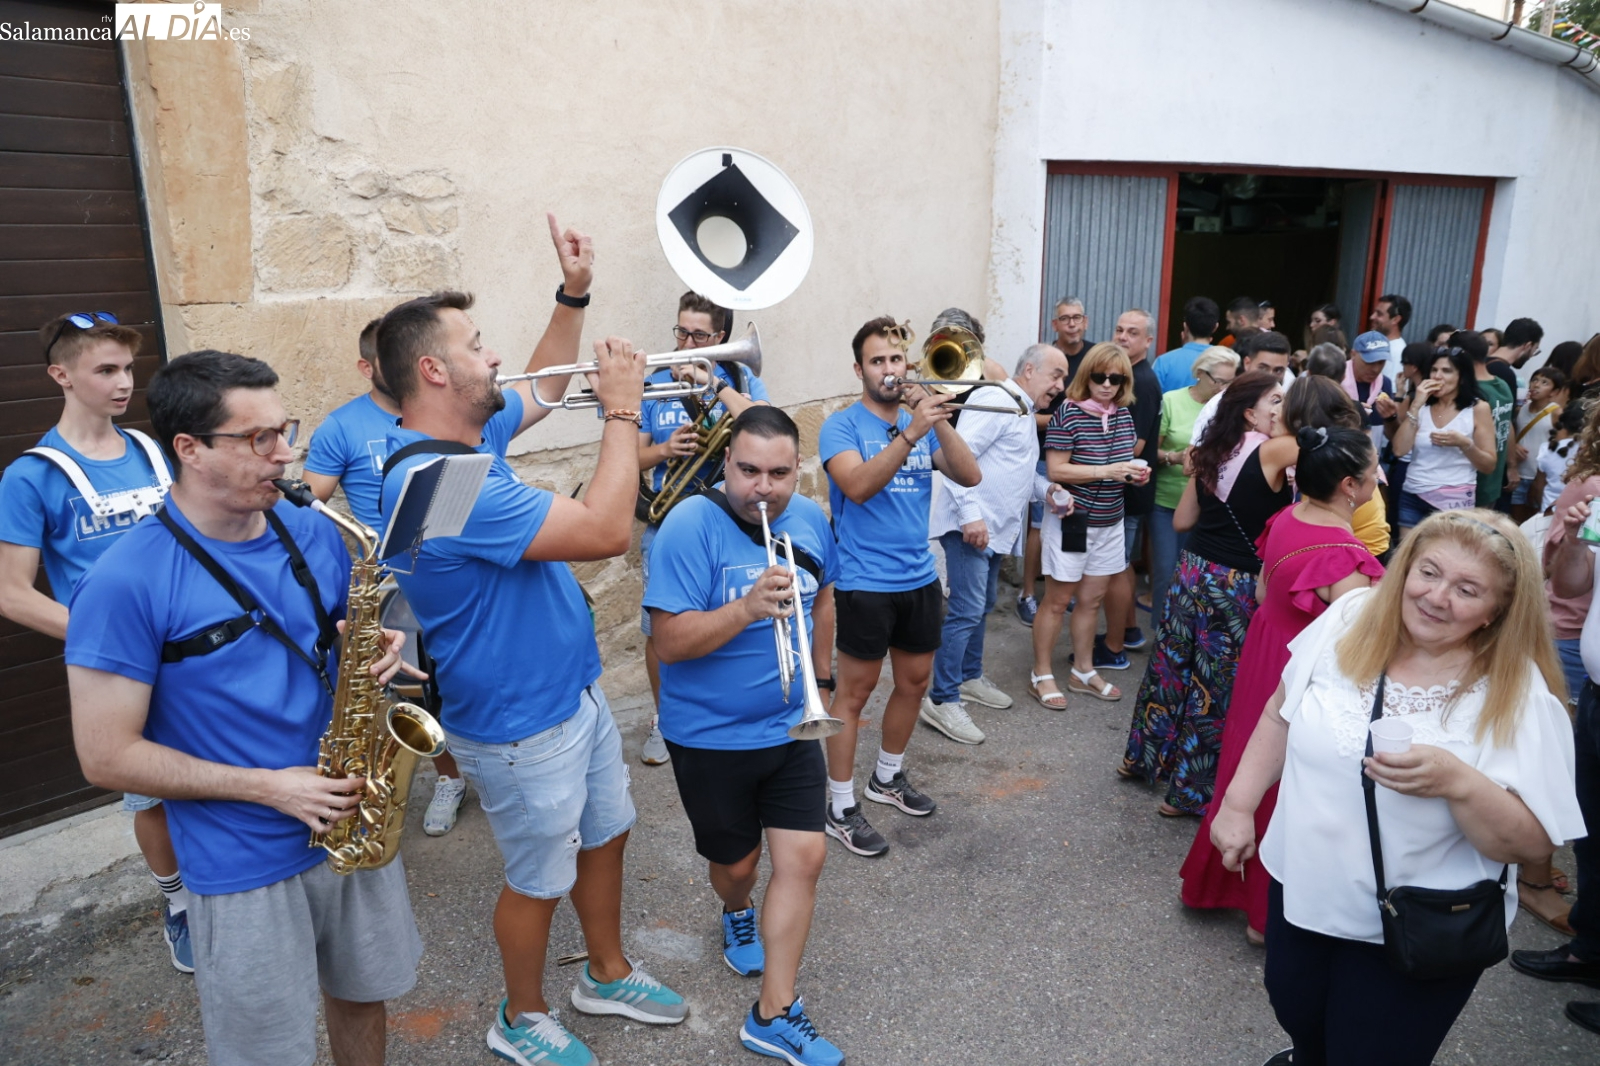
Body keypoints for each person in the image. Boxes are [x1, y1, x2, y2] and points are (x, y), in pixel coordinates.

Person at [66, 349, 421, 1066]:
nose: (285, 454)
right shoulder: (124, 582)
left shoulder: (316, 530)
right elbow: (105, 755)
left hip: (350, 814)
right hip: (240, 856)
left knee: (362, 995)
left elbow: (338, 641)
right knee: (268, 1049)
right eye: (259, 439)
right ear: (190, 450)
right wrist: (268, 787)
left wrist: (374, 649)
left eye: (284, 429)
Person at [378, 250, 690, 1063]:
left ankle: (606, 973)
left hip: (568, 693)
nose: (494, 356)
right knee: (537, 877)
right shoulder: (443, 479)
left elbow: (546, 384)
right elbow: (603, 532)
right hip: (517, 722)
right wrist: (622, 413)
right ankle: (520, 1016)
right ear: (433, 370)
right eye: (477, 344)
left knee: (609, 831)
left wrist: (574, 292)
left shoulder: (459, 444)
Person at [1213, 509, 1584, 1066]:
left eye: (1467, 589)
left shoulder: (1516, 693)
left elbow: (1531, 845)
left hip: (1419, 923)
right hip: (1303, 890)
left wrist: (1459, 783)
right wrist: (1239, 804)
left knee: (1370, 1053)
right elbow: (1281, 712)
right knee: (1297, 1012)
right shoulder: (1353, 617)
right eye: (1429, 572)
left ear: (1497, 611)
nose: (1437, 597)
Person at [645, 406, 844, 1066]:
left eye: (780, 473)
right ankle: (735, 908)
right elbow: (669, 641)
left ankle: (774, 1012)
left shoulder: (810, 519)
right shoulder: (688, 526)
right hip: (709, 736)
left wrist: (821, 673)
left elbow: (824, 596)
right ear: (726, 463)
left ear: (798, 470)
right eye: (750, 470)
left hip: (789, 728)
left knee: (804, 860)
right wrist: (745, 608)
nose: (764, 487)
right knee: (737, 868)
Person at [0, 313, 189, 972]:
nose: (123, 384)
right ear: (61, 375)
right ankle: (177, 903)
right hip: (117, 668)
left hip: (193, 648)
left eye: (128, 370)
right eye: (105, 370)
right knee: (150, 793)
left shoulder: (151, 450)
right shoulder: (33, 476)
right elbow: (13, 592)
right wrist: (110, 640)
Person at [1179, 426, 1384, 944]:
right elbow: (1351, 647)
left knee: (1247, 762)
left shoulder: (1288, 516)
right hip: (1303, 669)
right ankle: (1263, 913)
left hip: (1265, 650)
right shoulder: (1346, 556)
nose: (1378, 479)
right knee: (1292, 778)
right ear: (1350, 487)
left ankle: (1222, 881)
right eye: (1372, 473)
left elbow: (1267, 587)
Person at [817, 316, 980, 857]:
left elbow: (969, 475)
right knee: (855, 694)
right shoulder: (841, 427)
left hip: (918, 575)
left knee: (914, 682)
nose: (889, 369)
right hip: (866, 580)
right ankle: (839, 805)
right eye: (878, 361)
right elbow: (857, 487)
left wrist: (936, 418)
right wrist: (911, 431)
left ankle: (886, 777)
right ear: (859, 369)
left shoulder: (922, 420)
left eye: (896, 359)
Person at [302, 315, 470, 836]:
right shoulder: (340, 427)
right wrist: (345, 575)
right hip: (394, 585)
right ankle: (449, 777)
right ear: (366, 367)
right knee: (416, 689)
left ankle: (491, 759)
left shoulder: (444, 409)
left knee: (468, 672)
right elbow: (310, 512)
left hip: (458, 570)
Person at [1121, 369, 1293, 815]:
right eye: (1275, 400)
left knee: (1170, 668)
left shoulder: (1214, 450)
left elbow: (1181, 521)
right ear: (1250, 411)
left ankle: (1142, 759)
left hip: (1193, 570)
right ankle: (1189, 793)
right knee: (1214, 686)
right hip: (1234, 583)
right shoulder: (1275, 449)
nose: (1282, 407)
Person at [636, 291, 769, 768]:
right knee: (660, 631)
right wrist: (663, 450)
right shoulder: (653, 382)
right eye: (681, 331)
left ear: (721, 339)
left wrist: (714, 386)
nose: (686, 342)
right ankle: (662, 717)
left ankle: (723, 714)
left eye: (698, 335)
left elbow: (762, 428)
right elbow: (629, 455)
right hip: (668, 528)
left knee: (727, 620)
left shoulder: (741, 380)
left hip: (730, 528)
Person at [924, 343, 1068, 743]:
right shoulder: (995, 398)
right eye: (1055, 374)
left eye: (1062, 377)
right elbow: (958, 458)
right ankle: (941, 698)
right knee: (967, 610)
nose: (1060, 384)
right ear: (1027, 370)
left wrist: (1047, 489)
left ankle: (968, 678)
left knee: (981, 606)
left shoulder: (1021, 410)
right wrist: (970, 515)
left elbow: (1014, 470)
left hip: (994, 530)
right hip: (971, 526)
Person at [1515, 491, 1600, 1039]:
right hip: (1595, 691)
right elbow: (1570, 586)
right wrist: (1572, 537)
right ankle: (1590, 949)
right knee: (1590, 835)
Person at [1028, 343, 1149, 707]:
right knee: (1057, 600)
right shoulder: (1068, 412)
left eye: (1117, 378)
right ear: (1087, 376)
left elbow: (1122, 465)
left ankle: (1082, 670)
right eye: (1100, 376)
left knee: (1092, 600)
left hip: (1110, 522)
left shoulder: (1124, 415)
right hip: (1073, 522)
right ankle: (1042, 673)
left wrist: (1133, 476)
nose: (1108, 385)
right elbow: (1057, 469)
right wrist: (1106, 471)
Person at [1148, 346, 1237, 634]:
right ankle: (1162, 634)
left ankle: (1186, 634)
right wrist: (1175, 457)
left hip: (1205, 506)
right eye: (1218, 381)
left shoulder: (1229, 409)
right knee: (1164, 572)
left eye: (1229, 382)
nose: (1223, 388)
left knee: (1193, 576)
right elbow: (1151, 450)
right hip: (1165, 500)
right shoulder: (1172, 401)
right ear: (1200, 373)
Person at [1019, 296, 1093, 624]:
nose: (1072, 324)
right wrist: (1067, 422)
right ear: (1055, 325)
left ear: (1085, 321)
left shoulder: (1093, 360)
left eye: (1077, 318)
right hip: (1042, 456)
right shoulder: (1043, 359)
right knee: (1038, 526)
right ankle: (1028, 593)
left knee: (1074, 522)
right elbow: (1023, 417)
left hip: (1080, 458)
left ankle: (1066, 593)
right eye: (1065, 319)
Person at [1098, 309, 1162, 667]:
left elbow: (1133, 448)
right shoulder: (1126, 375)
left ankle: (1115, 646)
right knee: (1117, 567)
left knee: (1118, 567)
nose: (1123, 337)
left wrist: (1090, 453)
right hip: (1121, 489)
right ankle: (1129, 632)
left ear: (1148, 341)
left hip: (1129, 492)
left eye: (1132, 333)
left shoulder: (1142, 381)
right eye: (1119, 329)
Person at [1389, 345, 1496, 537]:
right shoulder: (1421, 406)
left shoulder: (1477, 408)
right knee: (1409, 558)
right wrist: (1415, 405)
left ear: (1461, 377)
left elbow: (1489, 465)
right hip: (1413, 494)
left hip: (1454, 502)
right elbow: (1399, 450)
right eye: (1434, 370)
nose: (1438, 376)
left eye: (1446, 371)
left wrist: (1464, 444)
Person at [1189, 330, 1293, 446]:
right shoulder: (1221, 403)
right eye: (1263, 368)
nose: (1269, 375)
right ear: (1247, 363)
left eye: (1278, 370)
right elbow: (1192, 459)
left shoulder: (1292, 403)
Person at [1509, 366, 1568, 523]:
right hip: (1520, 472)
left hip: (1540, 475)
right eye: (1534, 380)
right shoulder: (1522, 409)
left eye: (1544, 382)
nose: (1536, 385)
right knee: (1516, 519)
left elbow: (1560, 443)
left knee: (1535, 519)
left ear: (1554, 392)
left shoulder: (1555, 412)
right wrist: (1514, 445)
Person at [1150, 296, 1220, 393]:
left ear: (1185, 325)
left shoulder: (1163, 362)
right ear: (1215, 327)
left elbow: (1153, 401)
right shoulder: (1228, 362)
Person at [1369, 292, 1412, 384]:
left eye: (1379, 314)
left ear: (1395, 319)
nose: (1372, 317)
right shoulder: (1384, 346)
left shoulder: (1397, 352)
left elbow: (1392, 393)